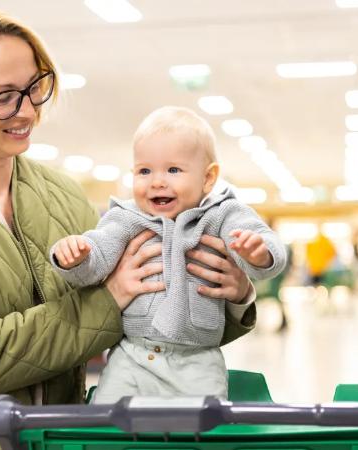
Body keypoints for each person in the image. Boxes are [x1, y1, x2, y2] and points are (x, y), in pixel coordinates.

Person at [0, 6, 257, 449]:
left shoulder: (62, 196)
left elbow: (156, 322)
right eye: (2, 96)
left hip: (52, 440)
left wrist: (231, 294)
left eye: (33, 87)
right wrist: (109, 300)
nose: (26, 109)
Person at [50, 107, 287, 403]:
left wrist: (258, 254)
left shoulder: (222, 215)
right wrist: (76, 257)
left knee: (199, 432)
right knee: (109, 426)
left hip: (198, 362)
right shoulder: (126, 218)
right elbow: (97, 256)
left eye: (173, 170)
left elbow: (269, 247)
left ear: (208, 178)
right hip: (133, 356)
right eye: (144, 171)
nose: (157, 182)